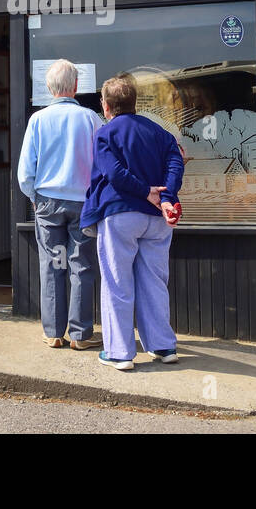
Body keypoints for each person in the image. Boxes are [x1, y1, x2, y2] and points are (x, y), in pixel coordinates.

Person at [80, 76, 184, 371]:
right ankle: (164, 346)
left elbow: (113, 172)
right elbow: (175, 160)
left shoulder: (105, 133)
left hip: (121, 214)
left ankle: (119, 353)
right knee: (154, 281)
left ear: (107, 106)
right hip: (157, 219)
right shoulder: (158, 131)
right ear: (134, 103)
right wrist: (166, 195)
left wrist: (144, 192)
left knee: (117, 282)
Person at [17, 59, 105, 350]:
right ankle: (81, 335)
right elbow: (102, 164)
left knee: (52, 265)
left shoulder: (38, 120)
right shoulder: (91, 119)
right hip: (83, 201)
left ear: (49, 87)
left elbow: (25, 172)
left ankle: (54, 332)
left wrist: (34, 196)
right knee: (82, 266)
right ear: (76, 86)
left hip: (48, 201)